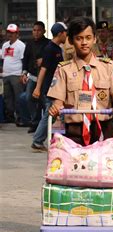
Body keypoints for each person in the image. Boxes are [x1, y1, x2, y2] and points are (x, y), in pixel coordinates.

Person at [48, 18, 113, 232]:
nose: (84, 43)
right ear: (71, 40)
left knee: (105, 179)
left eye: (88, 38)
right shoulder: (64, 70)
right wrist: (55, 106)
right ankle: (70, 221)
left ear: (94, 39)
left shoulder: (107, 65)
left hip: (103, 132)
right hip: (73, 135)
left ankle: (103, 223)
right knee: (74, 180)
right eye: (79, 38)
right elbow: (57, 99)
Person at [30, 22, 68, 152]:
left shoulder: (57, 48)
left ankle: (49, 140)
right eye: (65, 33)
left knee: (53, 115)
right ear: (60, 34)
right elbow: (43, 69)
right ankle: (38, 141)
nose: (66, 35)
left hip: (55, 88)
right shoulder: (50, 49)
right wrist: (38, 88)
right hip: (49, 89)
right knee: (49, 115)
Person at [20, 21, 50, 133]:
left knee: (43, 101)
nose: (36, 32)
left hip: (45, 78)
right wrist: (23, 73)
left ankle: (42, 125)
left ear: (44, 31)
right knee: (28, 98)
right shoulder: (29, 44)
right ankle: (35, 121)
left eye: (39, 30)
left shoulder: (48, 44)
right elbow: (25, 59)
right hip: (32, 76)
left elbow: (53, 59)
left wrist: (44, 60)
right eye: (34, 30)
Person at [1, 23, 26, 125]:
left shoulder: (21, 45)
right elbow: (4, 59)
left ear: (17, 33)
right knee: (7, 98)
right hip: (6, 75)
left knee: (18, 97)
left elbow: (24, 61)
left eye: (12, 33)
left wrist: (23, 74)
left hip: (16, 74)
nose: (10, 35)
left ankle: (20, 117)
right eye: (8, 32)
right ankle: (10, 117)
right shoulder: (5, 45)